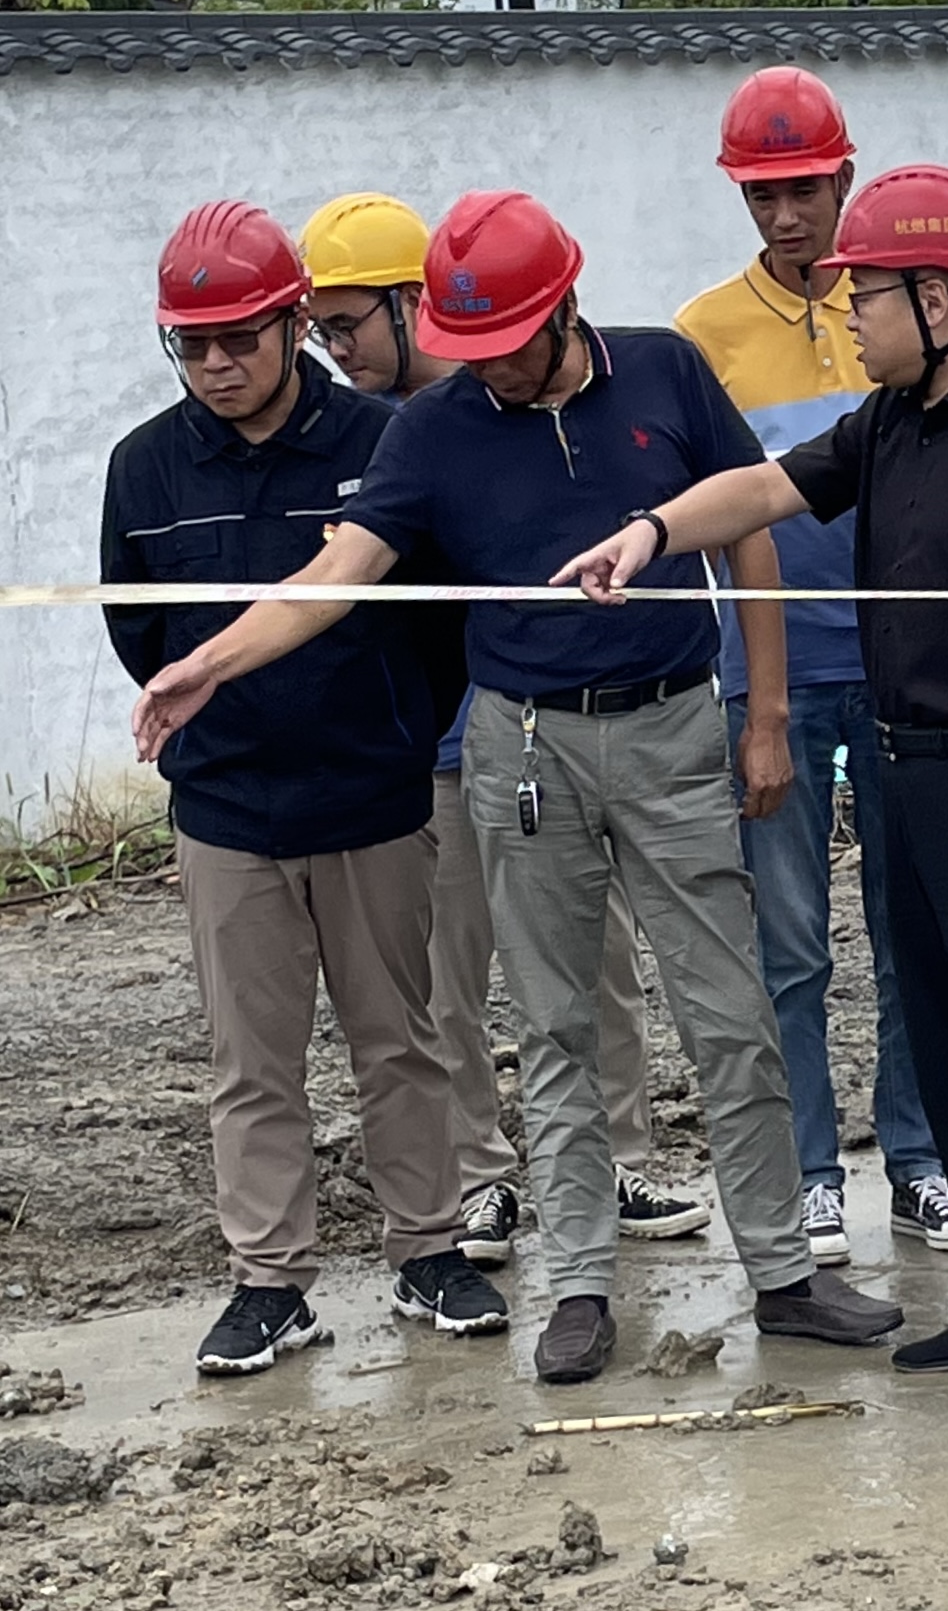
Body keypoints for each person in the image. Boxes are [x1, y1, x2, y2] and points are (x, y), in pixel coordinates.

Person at [129, 189, 902, 1382]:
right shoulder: (432, 429)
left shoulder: (664, 372)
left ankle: (785, 1274)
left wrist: (767, 715)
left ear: (564, 309)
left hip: (674, 727)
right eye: (469, 347)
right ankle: (581, 1282)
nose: (488, 369)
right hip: (525, 745)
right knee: (552, 1025)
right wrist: (209, 665)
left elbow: (748, 528)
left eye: (507, 345)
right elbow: (341, 575)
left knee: (728, 1012)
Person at [556, 164, 948, 1404]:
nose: (850, 315)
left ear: (937, 299)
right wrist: (653, 532)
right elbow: (768, 487)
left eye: (866, 294)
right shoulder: (891, 420)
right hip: (907, 767)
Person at [104, 199, 508, 1375]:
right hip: (227, 811)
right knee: (252, 1065)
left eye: (240, 338)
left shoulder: (386, 443)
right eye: (193, 345)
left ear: (292, 324)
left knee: (401, 1042)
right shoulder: (144, 469)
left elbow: (442, 626)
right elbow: (141, 635)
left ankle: (428, 1249)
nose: (217, 365)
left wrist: (393, 731)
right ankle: (270, 1283)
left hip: (374, 799)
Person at [298, 192, 707, 1266]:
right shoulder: (374, 436)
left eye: (347, 323)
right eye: (319, 329)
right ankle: (482, 1174)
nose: (335, 349)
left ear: (407, 303)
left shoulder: (519, 409)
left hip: (550, 735)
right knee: (453, 972)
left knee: (594, 958)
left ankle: (614, 1157)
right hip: (439, 748)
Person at [675, 69, 948, 1267]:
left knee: (912, 930)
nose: (786, 216)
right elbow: (717, 515)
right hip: (772, 680)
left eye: (804, 190)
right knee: (787, 943)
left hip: (904, 669)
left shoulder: (899, 310)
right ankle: (807, 1174)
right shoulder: (703, 335)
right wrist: (761, 708)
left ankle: (920, 1156)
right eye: (762, 196)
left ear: (844, 177)